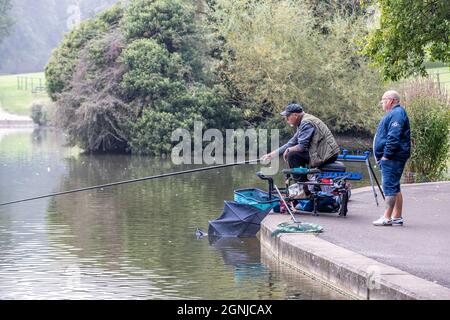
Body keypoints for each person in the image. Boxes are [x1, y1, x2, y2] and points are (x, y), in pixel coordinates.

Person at [261, 103, 340, 191]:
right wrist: (271, 155)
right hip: (326, 152)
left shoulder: (306, 123)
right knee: (292, 152)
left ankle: (303, 188)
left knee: (292, 155)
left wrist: (289, 150)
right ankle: (304, 185)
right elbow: (290, 143)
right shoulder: (305, 120)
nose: (286, 119)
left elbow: (302, 146)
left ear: (295, 115)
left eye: (288, 116)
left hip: (326, 154)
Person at [372, 90, 411, 226]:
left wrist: (386, 156)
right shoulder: (395, 113)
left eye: (383, 100)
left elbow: (393, 137)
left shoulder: (397, 114)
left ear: (391, 100)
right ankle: (397, 216)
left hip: (392, 158)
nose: (382, 103)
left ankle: (386, 217)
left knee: (388, 186)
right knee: (395, 186)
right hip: (393, 157)